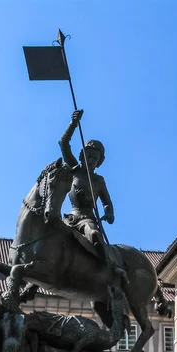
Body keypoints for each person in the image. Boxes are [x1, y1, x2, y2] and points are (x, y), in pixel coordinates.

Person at [58, 109, 114, 263]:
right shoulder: (75, 169)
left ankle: (108, 268)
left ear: (99, 162)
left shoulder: (99, 181)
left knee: (95, 235)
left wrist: (109, 213)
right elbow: (63, 144)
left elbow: (107, 202)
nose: (91, 160)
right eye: (89, 156)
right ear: (82, 156)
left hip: (87, 218)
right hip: (70, 217)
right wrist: (73, 124)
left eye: (95, 158)